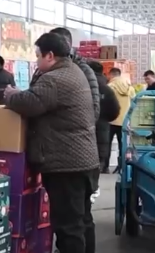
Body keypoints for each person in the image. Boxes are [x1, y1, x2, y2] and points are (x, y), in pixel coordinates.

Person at [3, 32, 98, 253]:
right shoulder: (74, 71)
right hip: (83, 161)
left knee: (68, 227)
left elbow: (31, 102)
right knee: (81, 220)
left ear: (50, 56)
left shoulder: (54, 78)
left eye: (38, 56)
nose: (37, 61)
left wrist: (10, 94)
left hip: (66, 165)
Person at [48, 28, 101, 200]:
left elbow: (93, 111)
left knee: (75, 207)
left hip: (73, 151)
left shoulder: (82, 70)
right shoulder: (46, 69)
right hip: (53, 153)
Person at [86, 61, 120, 174]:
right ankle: (102, 166)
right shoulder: (107, 89)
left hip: (85, 123)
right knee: (102, 145)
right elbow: (115, 109)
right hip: (103, 123)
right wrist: (105, 118)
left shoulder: (83, 85)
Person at [107, 68, 135, 173]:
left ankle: (105, 166)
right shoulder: (130, 87)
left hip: (111, 120)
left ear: (111, 75)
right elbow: (134, 102)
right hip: (125, 121)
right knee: (122, 145)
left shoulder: (110, 87)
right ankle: (122, 166)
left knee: (107, 144)